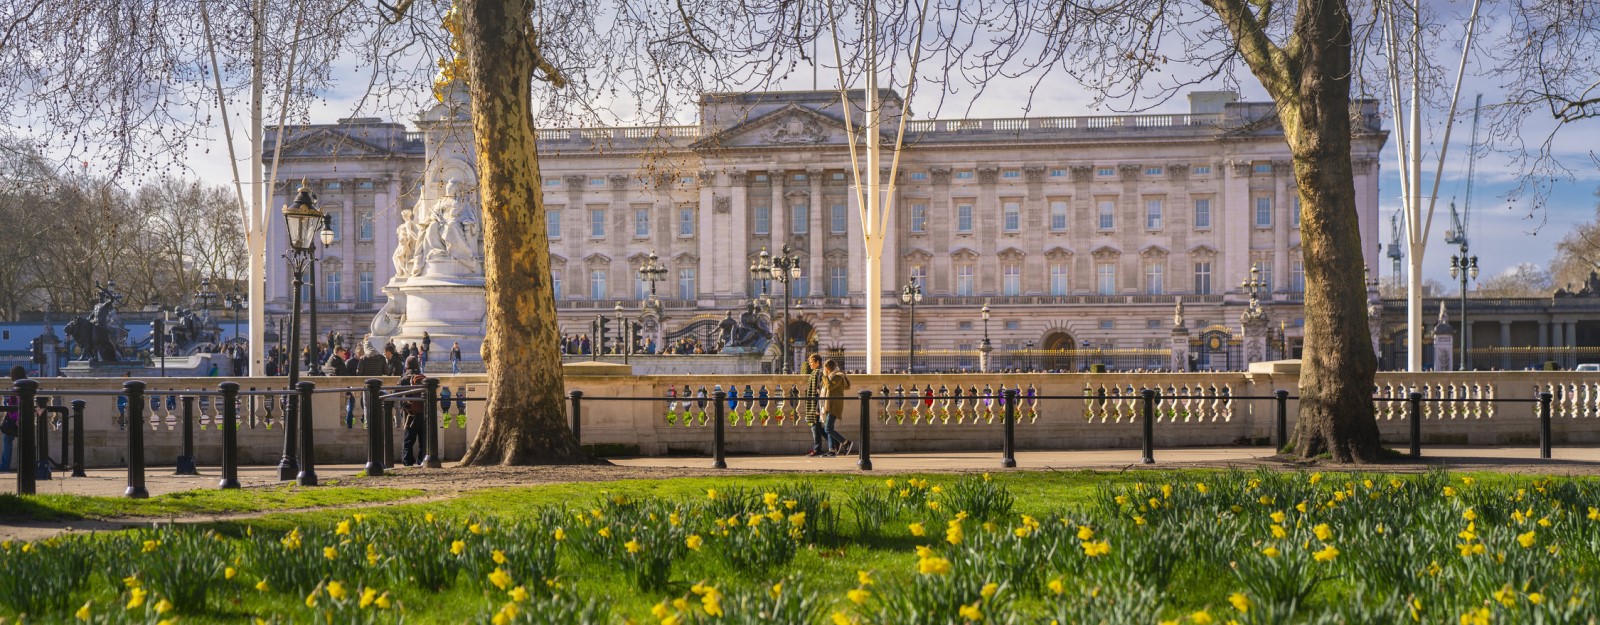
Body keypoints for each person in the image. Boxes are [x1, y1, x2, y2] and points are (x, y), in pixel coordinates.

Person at [821, 359, 853, 456]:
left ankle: (846, 442)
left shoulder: (838, 376)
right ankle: (832, 450)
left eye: (825, 368)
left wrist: (825, 377)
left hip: (834, 404)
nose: (824, 370)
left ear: (828, 368)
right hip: (828, 404)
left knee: (828, 429)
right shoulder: (831, 376)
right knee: (829, 427)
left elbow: (830, 387)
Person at [398, 357, 427, 466]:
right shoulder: (422, 377)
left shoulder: (404, 378)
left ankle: (407, 461)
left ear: (406, 365)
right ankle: (422, 460)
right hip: (423, 412)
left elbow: (397, 393)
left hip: (410, 414)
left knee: (408, 440)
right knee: (423, 440)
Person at [1, 365, 25, 472]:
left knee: (7, 440)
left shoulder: (17, 386)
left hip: (14, 420)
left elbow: (17, 404)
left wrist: (16, 419)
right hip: (22, 419)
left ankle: (5, 466)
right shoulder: (25, 384)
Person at [802, 354, 827, 457]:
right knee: (817, 427)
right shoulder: (814, 372)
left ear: (818, 362)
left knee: (814, 426)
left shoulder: (819, 373)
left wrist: (817, 407)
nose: (810, 364)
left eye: (812, 362)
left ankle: (817, 449)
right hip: (812, 404)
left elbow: (820, 392)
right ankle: (837, 442)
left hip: (815, 404)